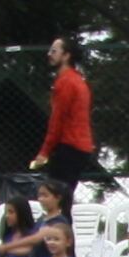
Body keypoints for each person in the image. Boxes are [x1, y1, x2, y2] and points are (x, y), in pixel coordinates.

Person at [31, 39, 96, 200]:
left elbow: (57, 120)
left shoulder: (66, 82)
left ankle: (59, 225)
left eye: (54, 51)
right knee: (64, 198)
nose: (49, 54)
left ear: (66, 55)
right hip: (80, 146)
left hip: (69, 145)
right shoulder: (78, 80)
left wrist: (44, 152)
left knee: (55, 199)